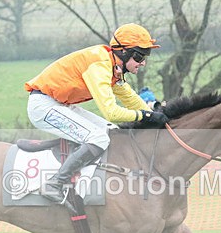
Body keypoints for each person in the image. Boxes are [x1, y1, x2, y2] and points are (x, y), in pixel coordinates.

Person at [25, 23, 170, 205]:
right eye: (139, 56)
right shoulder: (100, 65)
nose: (143, 62)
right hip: (43, 106)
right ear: (123, 52)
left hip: (58, 104)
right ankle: (54, 183)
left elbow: (131, 99)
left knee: (112, 131)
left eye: (145, 56)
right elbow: (111, 112)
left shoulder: (113, 67)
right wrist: (147, 117)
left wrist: (156, 115)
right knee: (98, 138)